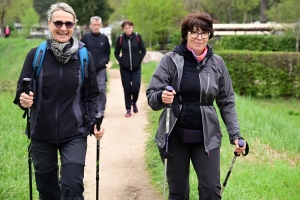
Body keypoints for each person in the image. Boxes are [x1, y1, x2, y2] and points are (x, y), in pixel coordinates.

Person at [146, 12, 247, 200]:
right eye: (194, 32)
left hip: (206, 136)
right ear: (186, 35)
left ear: (210, 35)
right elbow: (152, 96)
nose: (200, 37)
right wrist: (162, 96)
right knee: (178, 192)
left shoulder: (217, 63)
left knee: (211, 190)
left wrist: (236, 135)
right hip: (175, 134)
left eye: (204, 32)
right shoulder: (171, 60)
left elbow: (227, 102)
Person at [13, 2, 105, 200]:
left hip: (74, 133)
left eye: (69, 24)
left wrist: (93, 124)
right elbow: (21, 92)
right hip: (41, 133)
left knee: (72, 188)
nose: (63, 28)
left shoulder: (83, 57)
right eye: (59, 23)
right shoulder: (36, 56)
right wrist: (24, 100)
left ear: (74, 25)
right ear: (49, 23)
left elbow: (91, 95)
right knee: (47, 192)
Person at [114, 19, 146, 117]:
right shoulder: (120, 39)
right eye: (126, 28)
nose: (128, 30)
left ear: (132, 27)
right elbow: (116, 53)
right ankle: (128, 109)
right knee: (127, 88)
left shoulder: (137, 37)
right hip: (125, 69)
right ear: (123, 29)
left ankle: (134, 102)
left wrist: (138, 60)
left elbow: (143, 51)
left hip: (136, 68)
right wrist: (121, 62)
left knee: (136, 87)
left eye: (129, 27)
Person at [81, 16, 110, 116]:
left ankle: (101, 110)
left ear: (100, 25)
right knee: (87, 88)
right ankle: (88, 109)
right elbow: (82, 52)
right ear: (90, 25)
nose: (96, 26)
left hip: (101, 67)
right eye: (94, 25)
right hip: (88, 67)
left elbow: (107, 54)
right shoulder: (85, 38)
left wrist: (101, 63)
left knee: (101, 88)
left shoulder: (104, 38)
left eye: (98, 25)